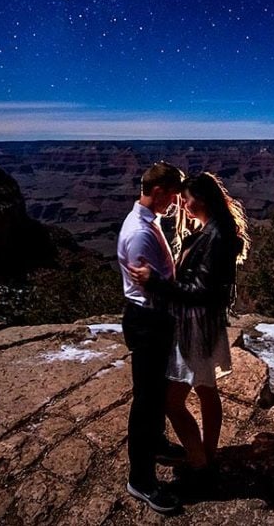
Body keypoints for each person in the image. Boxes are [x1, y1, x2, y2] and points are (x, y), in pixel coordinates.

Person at [129, 172, 250, 483]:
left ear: (204, 198)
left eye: (187, 198)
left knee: (171, 401)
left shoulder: (216, 236)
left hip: (196, 327)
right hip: (206, 324)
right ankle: (209, 454)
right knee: (207, 390)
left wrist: (154, 282)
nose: (182, 204)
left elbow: (201, 292)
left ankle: (197, 461)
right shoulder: (212, 231)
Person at [117, 161, 187, 513]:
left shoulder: (148, 222)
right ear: (158, 191)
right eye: (173, 194)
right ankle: (141, 479)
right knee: (146, 402)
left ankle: (156, 444)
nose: (176, 202)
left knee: (156, 393)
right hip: (148, 322)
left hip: (152, 319)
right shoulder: (141, 233)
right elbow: (153, 292)